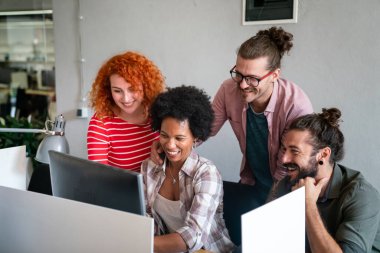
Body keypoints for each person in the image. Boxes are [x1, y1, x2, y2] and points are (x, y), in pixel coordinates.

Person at [268, 108, 380, 253]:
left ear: (323, 154)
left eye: (294, 151)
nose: (284, 159)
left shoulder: (361, 195)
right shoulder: (287, 183)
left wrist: (308, 204)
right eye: (284, 149)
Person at [141, 85, 235, 253]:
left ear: (196, 138)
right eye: (164, 135)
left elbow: (193, 237)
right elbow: (148, 221)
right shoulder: (149, 167)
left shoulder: (206, 173)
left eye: (179, 138)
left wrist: (138, 244)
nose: (170, 145)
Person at [87, 51, 165, 172]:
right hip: (121, 189)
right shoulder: (101, 122)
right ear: (108, 90)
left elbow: (189, 137)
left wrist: (164, 145)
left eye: (132, 89)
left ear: (145, 85)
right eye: (117, 91)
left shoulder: (160, 111)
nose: (126, 99)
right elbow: (98, 176)